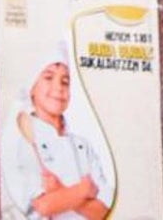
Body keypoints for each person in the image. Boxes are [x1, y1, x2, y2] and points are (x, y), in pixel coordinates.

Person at [12, 42, 112, 219]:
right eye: (48, 77)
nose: (59, 87)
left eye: (65, 81)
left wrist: (61, 192)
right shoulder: (22, 140)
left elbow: (103, 212)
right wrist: (84, 190)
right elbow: (43, 206)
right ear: (31, 89)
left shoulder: (83, 145)